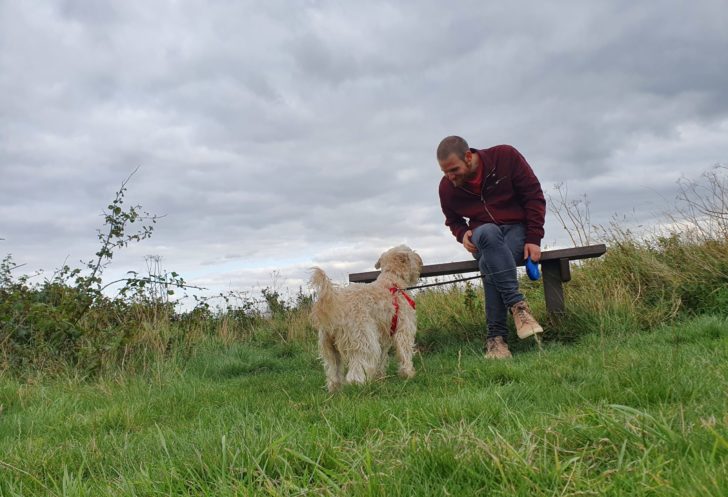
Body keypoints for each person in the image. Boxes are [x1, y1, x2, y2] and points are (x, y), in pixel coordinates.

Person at [437, 136, 546, 359]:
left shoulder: (505, 157)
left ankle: (495, 340)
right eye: (445, 172)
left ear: (468, 157)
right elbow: (453, 220)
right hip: (483, 237)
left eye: (454, 170)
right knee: (487, 232)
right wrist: (462, 233)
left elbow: (533, 196)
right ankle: (519, 307)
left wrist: (534, 238)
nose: (450, 177)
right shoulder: (447, 188)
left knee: (489, 264)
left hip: (515, 231)